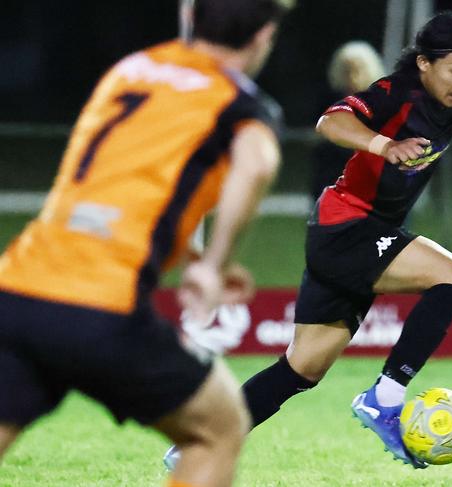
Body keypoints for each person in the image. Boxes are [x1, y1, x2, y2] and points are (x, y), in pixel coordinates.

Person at [239, 10, 452, 468]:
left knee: (302, 368)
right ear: (424, 64)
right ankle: (385, 397)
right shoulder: (396, 94)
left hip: (351, 232)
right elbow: (329, 123)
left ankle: (201, 443)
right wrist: (383, 144)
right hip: (349, 227)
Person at [0, 0, 291, 485]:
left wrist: (190, 253)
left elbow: (126, 177)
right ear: (263, 36)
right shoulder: (238, 102)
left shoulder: (132, 69)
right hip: (100, 307)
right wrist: (215, 264)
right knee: (219, 428)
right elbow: (257, 163)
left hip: (18, 289)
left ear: (189, 15)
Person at [310, 41, 386, 201]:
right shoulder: (328, 101)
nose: (351, 74)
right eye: (346, 69)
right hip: (332, 178)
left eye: (357, 68)